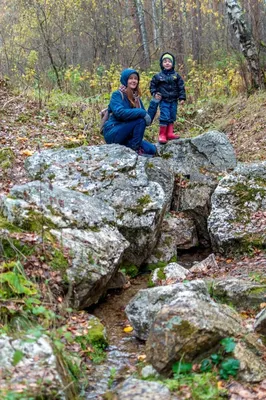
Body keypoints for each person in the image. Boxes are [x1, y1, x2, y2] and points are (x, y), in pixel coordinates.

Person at [103, 68, 161, 157]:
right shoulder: (117, 95)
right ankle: (135, 150)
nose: (134, 81)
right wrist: (141, 112)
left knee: (151, 149)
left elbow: (147, 120)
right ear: (125, 80)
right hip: (113, 132)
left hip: (127, 136)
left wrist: (154, 101)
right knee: (140, 120)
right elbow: (120, 113)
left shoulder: (136, 98)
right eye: (131, 78)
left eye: (136, 79)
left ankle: (131, 147)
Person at [150, 52, 186, 144]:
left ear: (172, 63)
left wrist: (182, 98)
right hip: (164, 100)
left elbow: (181, 87)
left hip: (173, 100)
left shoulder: (176, 76)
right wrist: (154, 93)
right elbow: (152, 86)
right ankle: (162, 134)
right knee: (164, 116)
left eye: (169, 61)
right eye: (165, 61)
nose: (167, 63)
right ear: (162, 64)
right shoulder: (158, 76)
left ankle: (169, 133)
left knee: (172, 116)